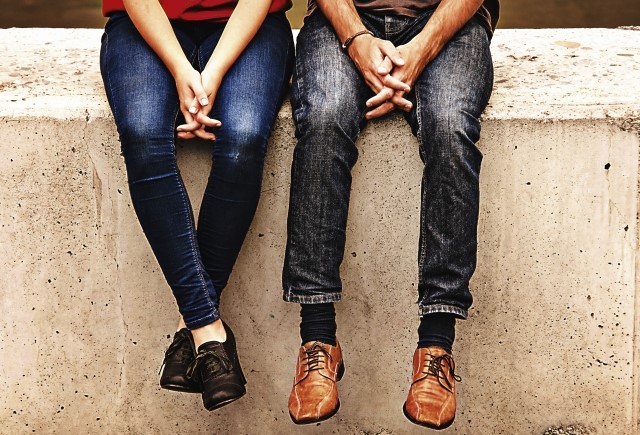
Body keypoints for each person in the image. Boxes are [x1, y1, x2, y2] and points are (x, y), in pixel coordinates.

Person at [282, 0, 498, 428]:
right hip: (342, 19)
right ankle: (318, 340)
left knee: (449, 126)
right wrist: (357, 40)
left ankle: (436, 346)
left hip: (449, 21)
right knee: (324, 118)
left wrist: (421, 50)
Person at [99, 0, 294, 411]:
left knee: (243, 140)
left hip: (251, 26)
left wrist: (212, 74)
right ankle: (208, 330)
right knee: (143, 138)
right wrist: (180, 69)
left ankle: (189, 328)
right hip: (143, 25)